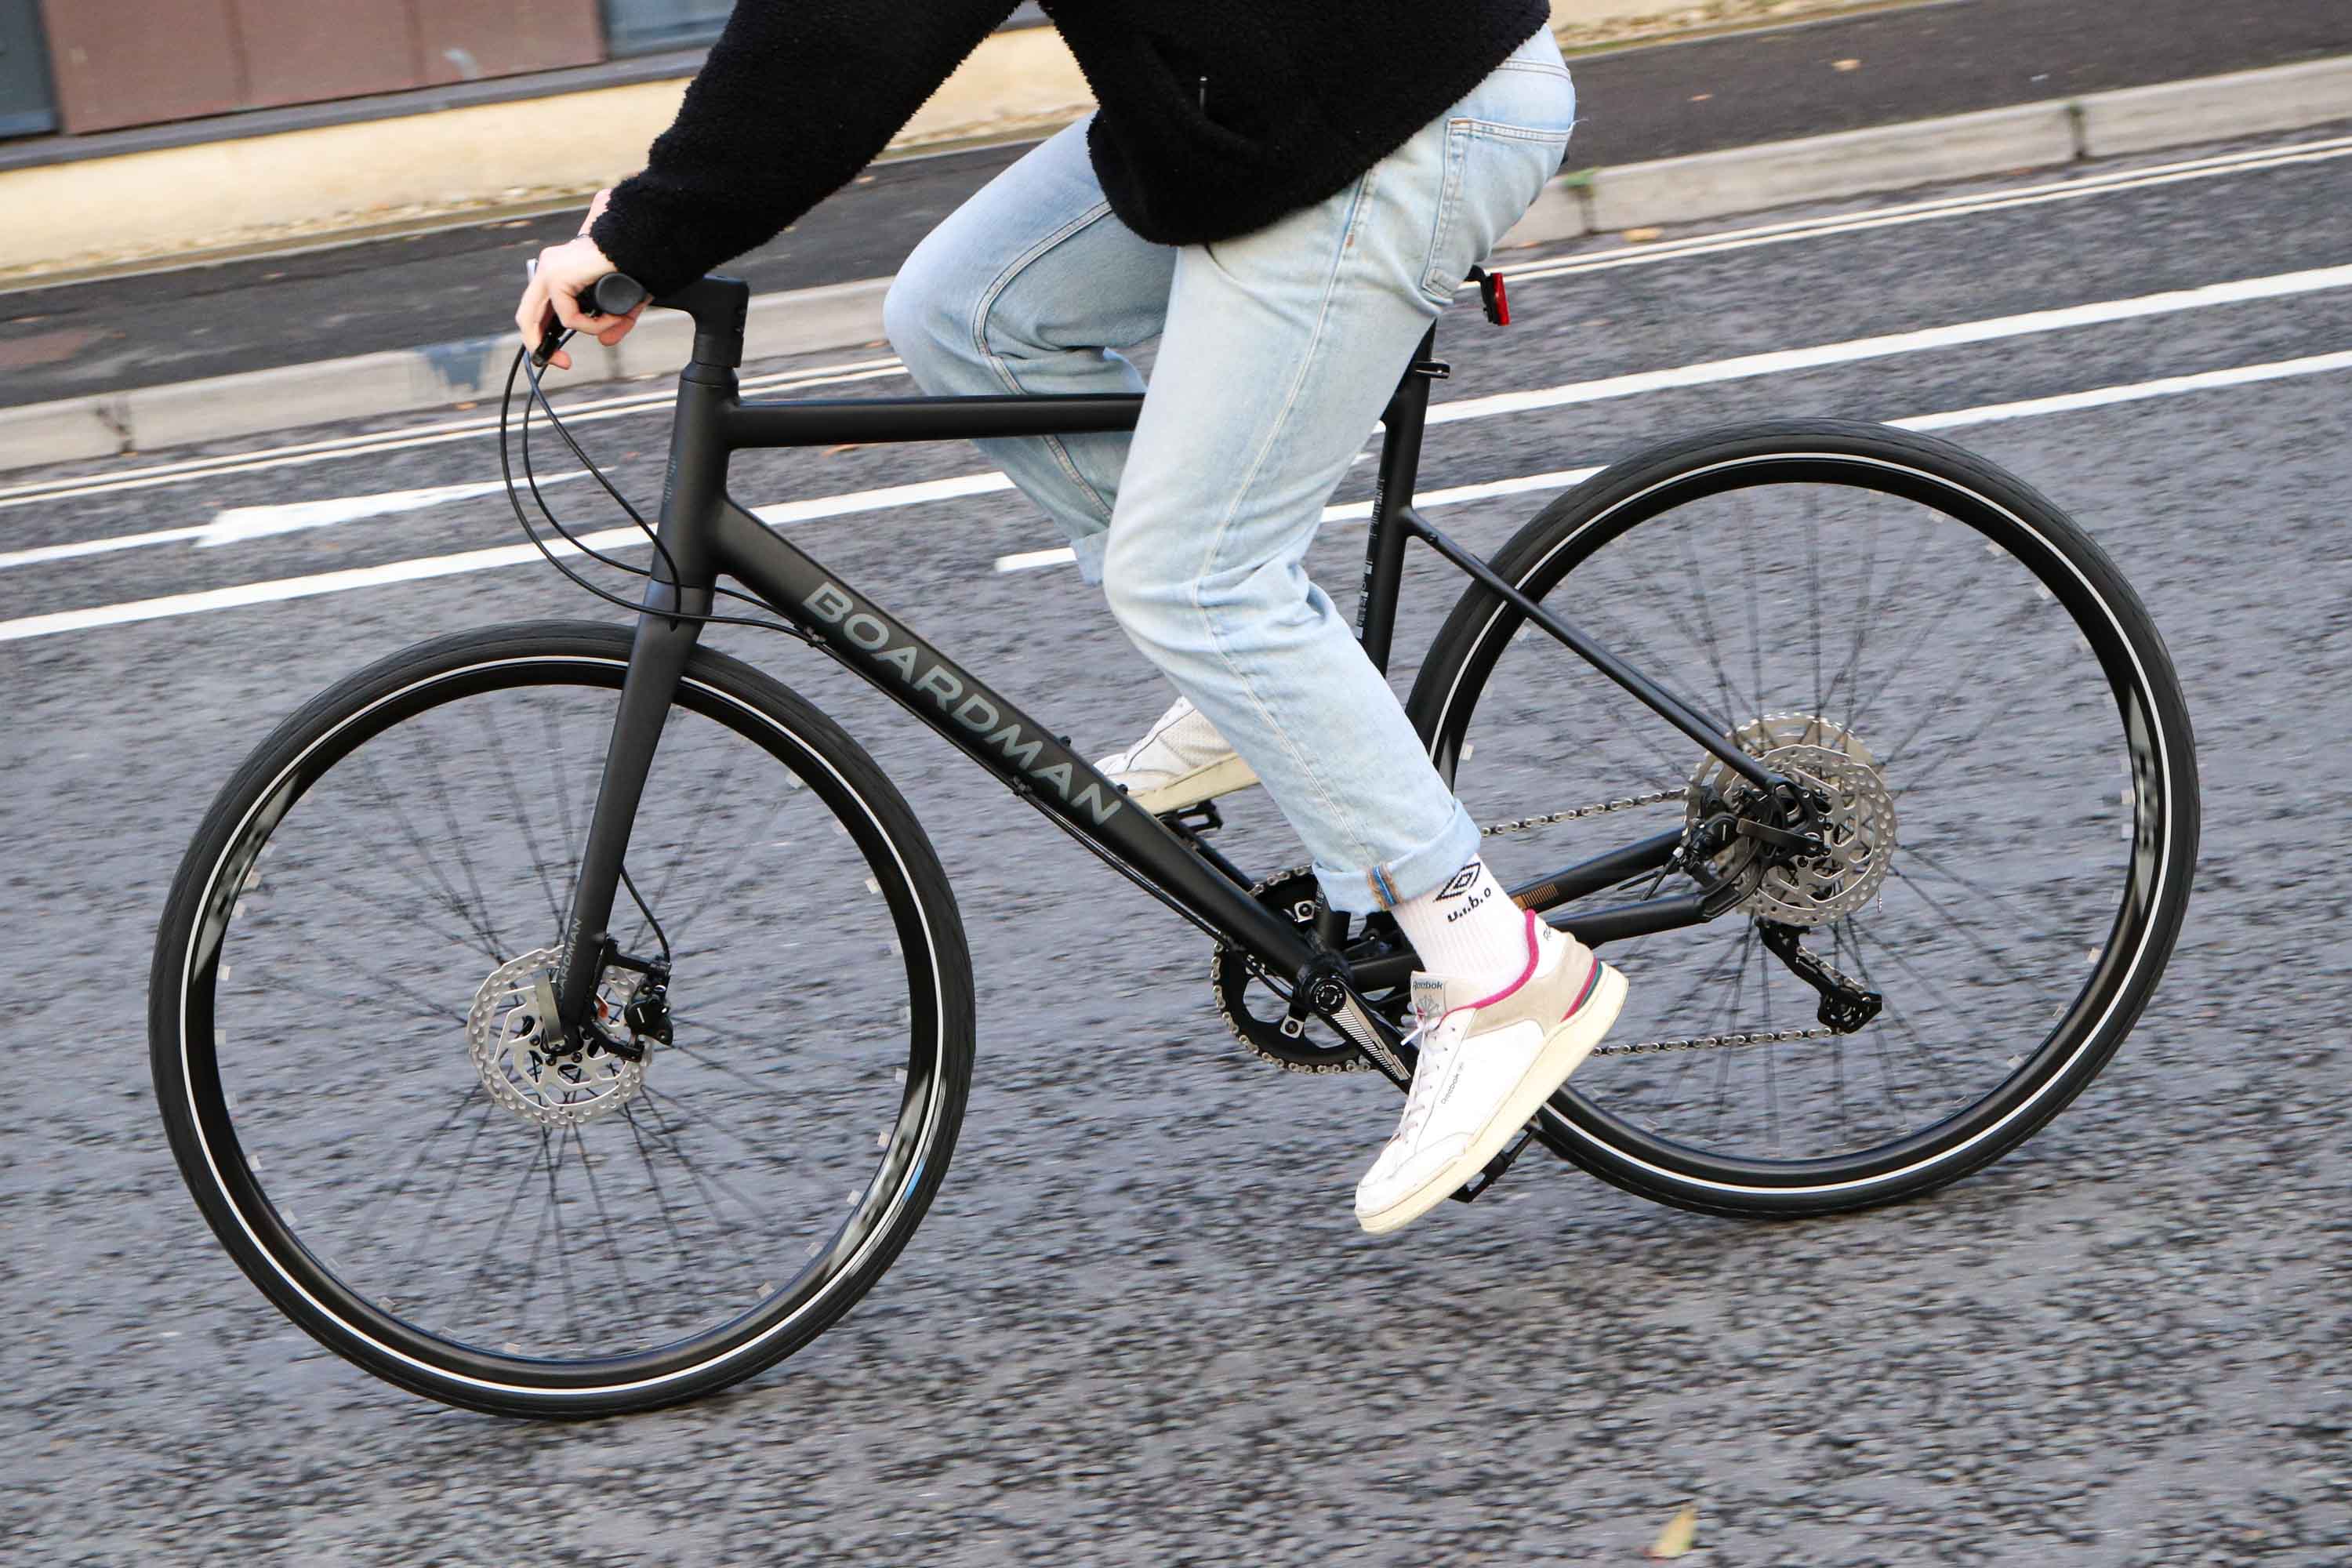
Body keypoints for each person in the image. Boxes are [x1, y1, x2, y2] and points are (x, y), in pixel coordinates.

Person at [514, 1, 1627, 1236]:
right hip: (1252, 104)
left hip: (1394, 107)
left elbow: (852, 25)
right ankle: (1255, 691)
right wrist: (654, 226)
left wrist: (649, 231)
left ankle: (1495, 967)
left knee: (1193, 575)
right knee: (963, 313)